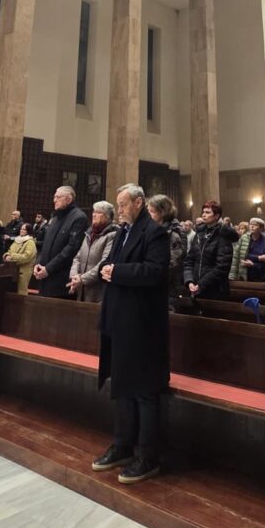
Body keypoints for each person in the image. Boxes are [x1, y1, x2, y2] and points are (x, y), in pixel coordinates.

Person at [93, 183, 169, 485]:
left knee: (144, 391)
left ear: (139, 203)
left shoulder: (155, 232)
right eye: (118, 205)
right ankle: (123, 445)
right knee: (122, 387)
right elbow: (112, 262)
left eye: (123, 204)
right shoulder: (123, 232)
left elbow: (155, 271)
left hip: (142, 323)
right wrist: (107, 268)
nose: (120, 210)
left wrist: (117, 272)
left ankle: (148, 456)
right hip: (119, 319)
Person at [33, 186, 87, 298]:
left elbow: (72, 248)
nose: (54, 200)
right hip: (45, 277)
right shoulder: (55, 218)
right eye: (54, 197)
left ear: (69, 199)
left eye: (58, 197)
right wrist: (38, 264)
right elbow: (45, 245)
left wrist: (48, 268)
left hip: (61, 280)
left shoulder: (79, 218)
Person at [183, 200, 235, 299]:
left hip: (215, 290)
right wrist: (189, 281)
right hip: (195, 287)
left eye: (207, 212)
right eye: (203, 212)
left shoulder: (223, 235)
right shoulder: (199, 234)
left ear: (216, 216)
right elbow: (189, 260)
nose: (203, 215)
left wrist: (201, 284)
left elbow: (222, 267)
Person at [67, 202, 117, 302]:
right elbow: (77, 258)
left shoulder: (113, 235)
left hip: (98, 292)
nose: (94, 214)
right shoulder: (89, 233)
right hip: (81, 289)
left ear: (107, 217)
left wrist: (82, 279)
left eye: (98, 212)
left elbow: (104, 262)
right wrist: (74, 276)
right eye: (94, 211)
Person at [145, 195, 186, 304]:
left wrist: (148, 273)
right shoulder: (151, 230)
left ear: (162, 212)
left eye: (152, 212)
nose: (148, 215)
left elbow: (172, 263)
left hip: (167, 288)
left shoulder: (173, 233)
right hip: (150, 285)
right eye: (148, 211)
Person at [230, 218, 265, 282]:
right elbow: (237, 256)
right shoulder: (244, 238)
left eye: (255, 225)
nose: (252, 226)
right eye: (251, 224)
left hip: (259, 276)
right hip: (244, 274)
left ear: (261, 228)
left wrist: (253, 265)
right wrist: (232, 276)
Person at [3, 222, 37, 293]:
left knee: (21, 291)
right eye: (21, 229)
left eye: (24, 229)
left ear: (28, 231)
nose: (21, 230)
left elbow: (26, 257)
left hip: (23, 271)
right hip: (12, 269)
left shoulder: (30, 242)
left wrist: (12, 257)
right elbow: (9, 251)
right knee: (11, 291)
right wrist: (6, 256)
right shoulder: (17, 240)